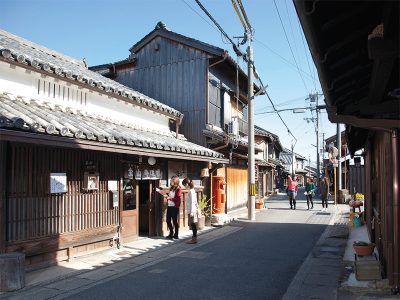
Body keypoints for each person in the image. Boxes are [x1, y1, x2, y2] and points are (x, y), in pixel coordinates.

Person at [182, 178, 198, 244]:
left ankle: (194, 239)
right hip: (193, 209)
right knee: (193, 224)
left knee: (193, 225)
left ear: (187, 184)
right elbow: (195, 201)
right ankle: (194, 238)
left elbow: (192, 202)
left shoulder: (191, 191)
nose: (184, 186)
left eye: (184, 185)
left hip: (192, 210)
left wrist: (191, 212)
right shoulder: (192, 190)